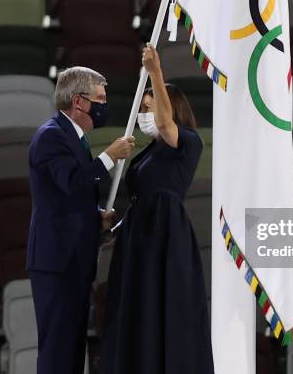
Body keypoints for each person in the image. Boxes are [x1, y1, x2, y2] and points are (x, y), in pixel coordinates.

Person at [99, 45, 215, 374]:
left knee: (166, 309)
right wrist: (116, 226)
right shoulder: (148, 153)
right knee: (136, 313)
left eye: (149, 106)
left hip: (166, 235)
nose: (143, 114)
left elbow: (166, 126)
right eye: (143, 107)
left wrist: (155, 72)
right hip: (138, 238)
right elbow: (139, 199)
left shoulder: (188, 142)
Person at [27, 67, 135, 374]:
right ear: (78, 101)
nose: (104, 105)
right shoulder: (51, 136)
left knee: (73, 350)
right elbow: (72, 182)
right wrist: (110, 156)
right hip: (57, 261)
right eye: (99, 99)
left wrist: (95, 217)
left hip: (73, 259)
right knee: (58, 351)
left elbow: (68, 199)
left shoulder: (73, 138)